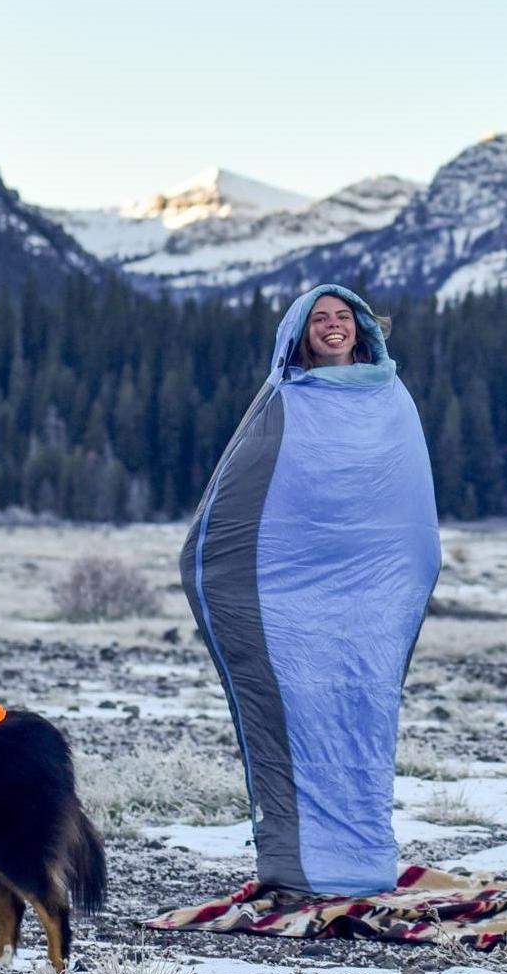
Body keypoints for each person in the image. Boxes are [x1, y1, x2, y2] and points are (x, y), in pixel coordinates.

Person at [180, 283, 441, 895]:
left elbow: (403, 497)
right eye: (319, 319)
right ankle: (296, 865)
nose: (333, 326)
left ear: (362, 328)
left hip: (370, 598)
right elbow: (240, 495)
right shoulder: (282, 398)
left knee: (363, 717)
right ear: (299, 334)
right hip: (291, 606)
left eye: (343, 317)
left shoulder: (390, 397)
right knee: (293, 718)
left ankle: (365, 862)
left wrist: (412, 566)